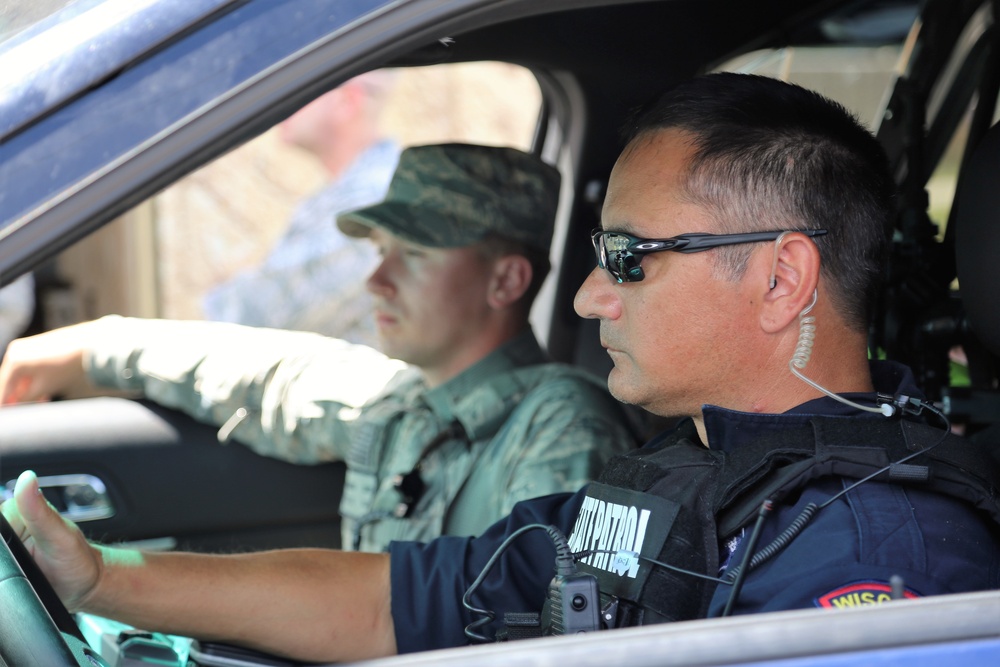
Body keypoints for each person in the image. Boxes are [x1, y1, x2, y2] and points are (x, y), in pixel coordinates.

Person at [3, 73, 999, 663]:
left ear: (784, 279)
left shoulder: (889, 555)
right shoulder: (679, 481)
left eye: (628, 260)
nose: (586, 298)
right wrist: (96, 576)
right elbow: (392, 600)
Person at [1, 142, 636, 555]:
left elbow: (535, 634)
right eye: (379, 250)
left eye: (413, 255)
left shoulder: (561, 427)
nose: (376, 279)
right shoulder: (403, 398)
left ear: (505, 280)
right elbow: (260, 376)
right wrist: (88, 349)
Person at [202, 72, 400, 347]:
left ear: (348, 101)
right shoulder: (345, 191)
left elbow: (255, 317)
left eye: (298, 90)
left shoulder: (371, 198)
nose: (281, 105)